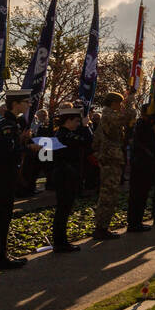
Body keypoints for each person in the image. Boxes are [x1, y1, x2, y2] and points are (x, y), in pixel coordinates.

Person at [0, 90, 40, 268]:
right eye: (26, 102)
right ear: (16, 104)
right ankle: (0, 258)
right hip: (5, 172)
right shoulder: (7, 124)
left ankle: (2, 254)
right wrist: (29, 148)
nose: (29, 105)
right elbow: (6, 152)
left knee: (6, 215)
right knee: (3, 215)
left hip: (7, 172)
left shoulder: (11, 123)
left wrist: (22, 140)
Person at [91, 91, 135, 240]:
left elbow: (96, 142)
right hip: (111, 159)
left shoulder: (106, 115)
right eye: (120, 103)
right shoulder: (109, 115)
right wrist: (130, 101)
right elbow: (128, 116)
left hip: (109, 157)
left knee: (109, 193)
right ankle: (101, 228)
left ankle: (102, 226)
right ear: (113, 103)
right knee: (108, 194)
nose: (121, 105)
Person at [49, 106, 88, 253]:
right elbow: (87, 141)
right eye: (77, 121)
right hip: (65, 175)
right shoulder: (65, 135)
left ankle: (61, 241)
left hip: (67, 174)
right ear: (69, 120)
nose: (78, 123)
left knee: (64, 209)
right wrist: (86, 127)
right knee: (63, 209)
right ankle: (60, 243)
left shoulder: (62, 133)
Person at [127, 104, 155, 233]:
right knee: (138, 194)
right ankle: (134, 223)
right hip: (141, 163)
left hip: (143, 163)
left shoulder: (143, 124)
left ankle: (136, 221)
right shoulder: (142, 125)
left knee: (141, 194)